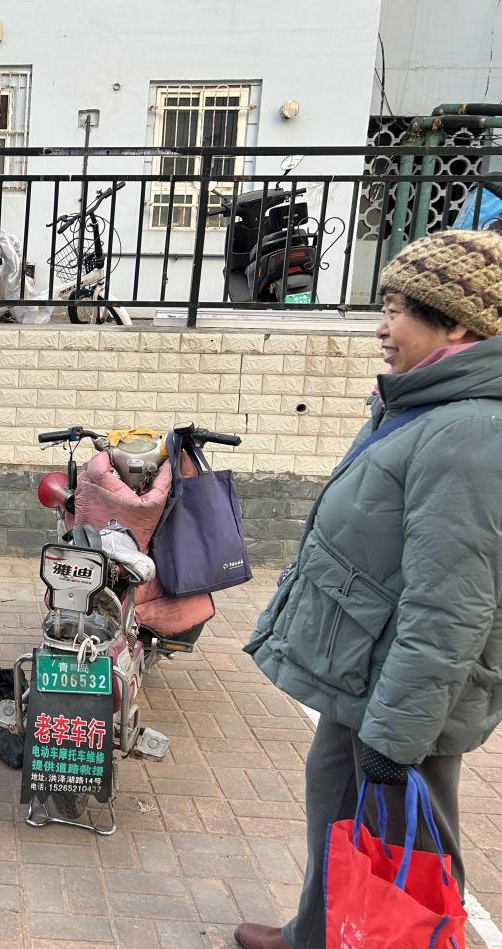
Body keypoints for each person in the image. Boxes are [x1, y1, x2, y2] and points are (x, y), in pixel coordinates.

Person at [235, 228, 502, 949]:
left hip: (401, 695)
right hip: (367, 677)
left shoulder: (469, 431)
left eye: (396, 310)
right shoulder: (422, 405)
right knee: (341, 814)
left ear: (457, 322)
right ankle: (315, 935)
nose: (381, 327)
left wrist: (397, 737)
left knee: (409, 851)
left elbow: (452, 605)